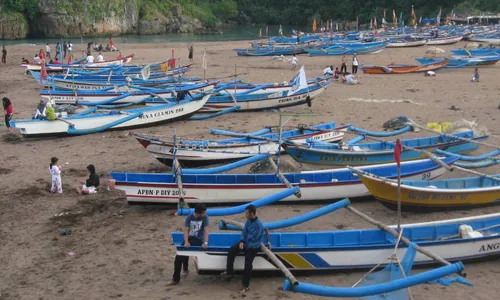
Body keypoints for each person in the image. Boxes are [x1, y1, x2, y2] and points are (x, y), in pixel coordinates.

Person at [221, 205, 268, 294]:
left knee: (247, 264)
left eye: (247, 214)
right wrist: (242, 241)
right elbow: (244, 232)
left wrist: (245, 242)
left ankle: (245, 286)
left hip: (253, 247)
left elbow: (254, 237)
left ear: (252, 214)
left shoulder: (259, 225)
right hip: (246, 243)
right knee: (232, 250)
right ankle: (229, 270)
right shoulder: (248, 221)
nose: (245, 215)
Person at [167, 204, 209, 286]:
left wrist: (205, 242)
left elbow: (206, 230)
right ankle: (176, 278)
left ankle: (185, 269)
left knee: (187, 248)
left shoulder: (205, 217)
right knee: (179, 255)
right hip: (190, 238)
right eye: (203, 213)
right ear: (198, 213)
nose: (204, 214)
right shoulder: (190, 217)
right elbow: (186, 230)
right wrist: (186, 241)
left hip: (199, 239)